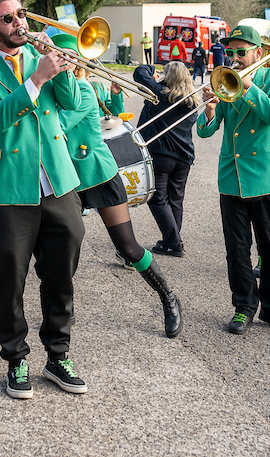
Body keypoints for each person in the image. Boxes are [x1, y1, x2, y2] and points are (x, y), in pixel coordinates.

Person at [0, 0, 87, 399]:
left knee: (61, 274)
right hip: (7, 188)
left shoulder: (41, 55)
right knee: (10, 281)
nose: (20, 24)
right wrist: (36, 78)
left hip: (57, 181)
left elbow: (73, 104)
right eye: (8, 19)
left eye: (21, 15)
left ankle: (58, 354)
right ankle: (15, 358)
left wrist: (61, 68)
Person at [54, 34, 181, 339]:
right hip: (68, 179)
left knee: (128, 247)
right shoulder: (48, 90)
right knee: (64, 250)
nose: (65, 64)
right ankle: (64, 312)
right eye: (60, 58)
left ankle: (169, 298)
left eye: (69, 59)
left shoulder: (83, 88)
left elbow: (58, 125)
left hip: (98, 173)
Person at [197, 23, 270, 336]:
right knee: (237, 249)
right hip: (233, 178)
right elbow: (204, 132)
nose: (235, 58)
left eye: (241, 52)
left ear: (258, 53)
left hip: (268, 178)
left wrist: (246, 86)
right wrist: (210, 108)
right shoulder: (223, 80)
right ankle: (243, 307)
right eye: (231, 52)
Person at [133, 61, 198, 258]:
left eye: (164, 73)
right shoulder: (192, 101)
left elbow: (139, 72)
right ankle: (170, 240)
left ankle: (174, 242)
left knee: (158, 199)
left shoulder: (160, 93)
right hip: (184, 157)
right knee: (175, 199)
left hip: (162, 156)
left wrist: (152, 69)